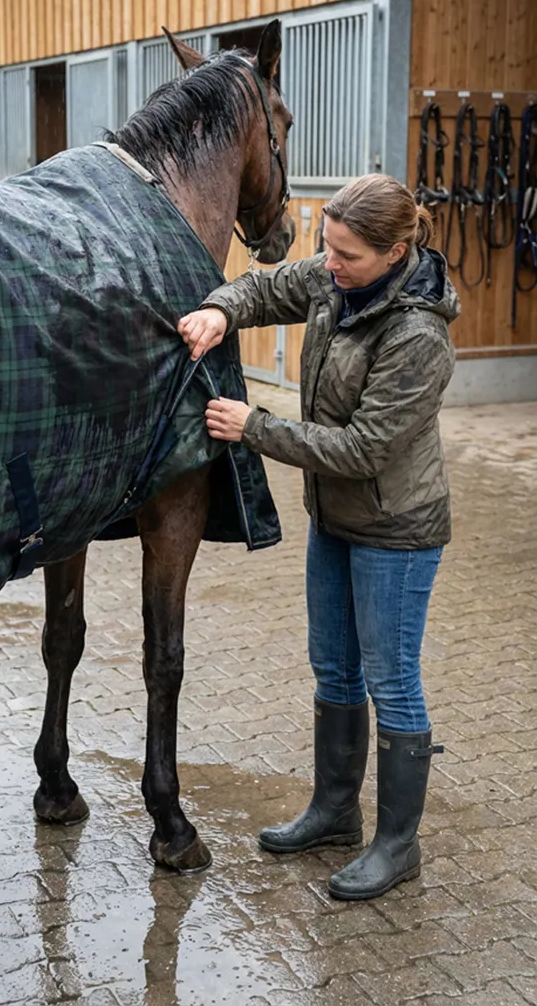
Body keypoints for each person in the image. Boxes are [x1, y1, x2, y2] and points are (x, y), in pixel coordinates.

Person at [177, 174, 460, 901]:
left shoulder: (417, 333)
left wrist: (256, 427)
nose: (330, 264)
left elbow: (365, 448)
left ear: (396, 252)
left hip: (395, 529)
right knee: (332, 670)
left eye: (347, 255)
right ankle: (335, 811)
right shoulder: (335, 280)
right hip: (335, 519)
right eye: (326, 248)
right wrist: (217, 310)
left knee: (389, 679)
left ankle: (397, 845)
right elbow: (267, 288)